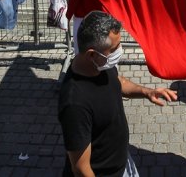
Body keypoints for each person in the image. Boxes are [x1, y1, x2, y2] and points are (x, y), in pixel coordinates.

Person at [58, 11, 178, 176]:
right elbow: (80, 168)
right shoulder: (75, 103)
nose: (119, 52)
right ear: (92, 54)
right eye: (114, 48)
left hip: (123, 164)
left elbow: (118, 81)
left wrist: (146, 92)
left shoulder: (100, 65)